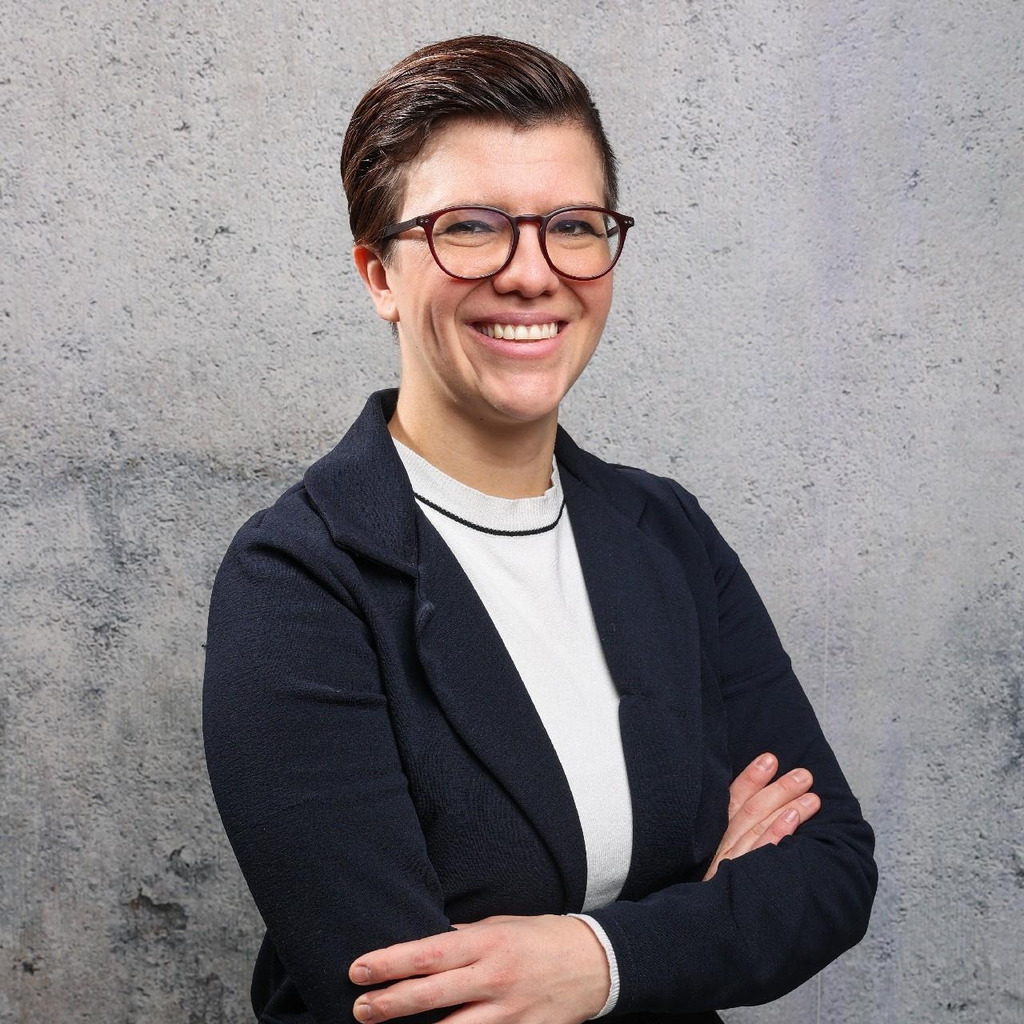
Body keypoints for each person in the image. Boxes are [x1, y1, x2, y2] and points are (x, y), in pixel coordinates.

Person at [203, 35, 876, 1024]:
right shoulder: (297, 581)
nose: (533, 274)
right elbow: (409, 999)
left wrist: (592, 960)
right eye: (471, 228)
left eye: (573, 225)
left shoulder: (666, 532)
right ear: (379, 274)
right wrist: (702, 922)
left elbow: (828, 868)